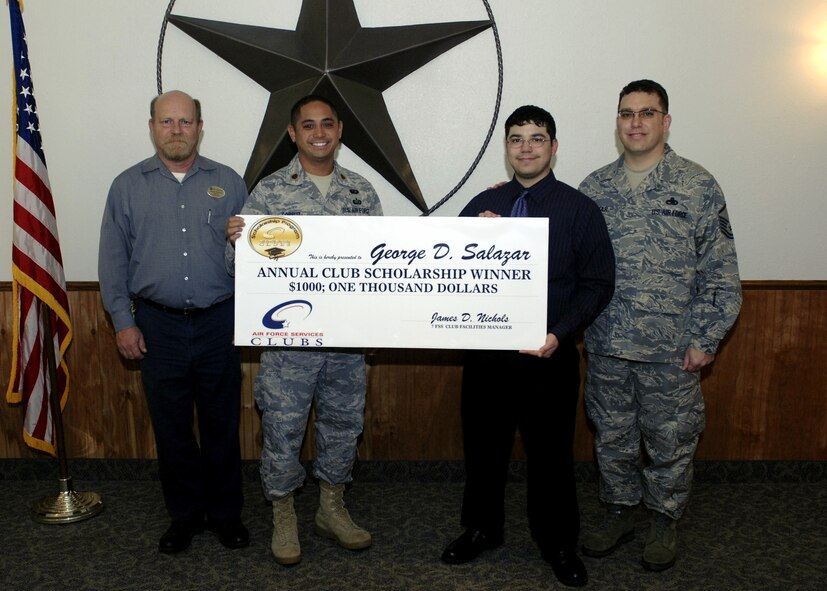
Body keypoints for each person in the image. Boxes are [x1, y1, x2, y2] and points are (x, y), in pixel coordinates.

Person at [440, 105, 615, 588]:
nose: (526, 147)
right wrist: (474, 237)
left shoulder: (580, 210)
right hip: (487, 358)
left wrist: (559, 332)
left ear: (553, 147)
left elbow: (598, 283)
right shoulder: (481, 205)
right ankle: (481, 529)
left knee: (552, 454)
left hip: (549, 356)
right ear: (506, 149)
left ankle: (558, 542)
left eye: (537, 138)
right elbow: (444, 271)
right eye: (516, 139)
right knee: (483, 447)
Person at [578, 79, 742, 572]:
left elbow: (721, 272)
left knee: (671, 439)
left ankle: (665, 519)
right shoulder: (594, 188)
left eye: (647, 113)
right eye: (627, 113)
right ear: (617, 122)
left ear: (665, 122)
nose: (635, 122)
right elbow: (567, 260)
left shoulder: (697, 185)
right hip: (607, 343)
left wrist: (705, 340)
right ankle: (620, 510)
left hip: (673, 350)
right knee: (612, 436)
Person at [225, 95, 383, 566]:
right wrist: (237, 241)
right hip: (288, 343)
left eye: (327, 124)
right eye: (308, 125)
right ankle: (284, 512)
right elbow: (240, 270)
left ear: (339, 130)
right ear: (293, 133)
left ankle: (331, 508)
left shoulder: (362, 191)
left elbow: (378, 266)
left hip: (346, 343)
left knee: (342, 426)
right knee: (283, 428)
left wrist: (377, 323)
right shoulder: (270, 192)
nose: (319, 132)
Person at [98, 90, 248, 554]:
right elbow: (112, 261)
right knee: (171, 426)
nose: (177, 130)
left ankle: (225, 515)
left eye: (186, 121)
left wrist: (239, 241)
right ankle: (184, 516)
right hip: (157, 325)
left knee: (222, 423)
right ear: (152, 126)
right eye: (167, 121)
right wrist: (123, 322)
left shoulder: (230, 182)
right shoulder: (127, 186)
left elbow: (259, 255)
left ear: (201, 127)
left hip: (219, 320)